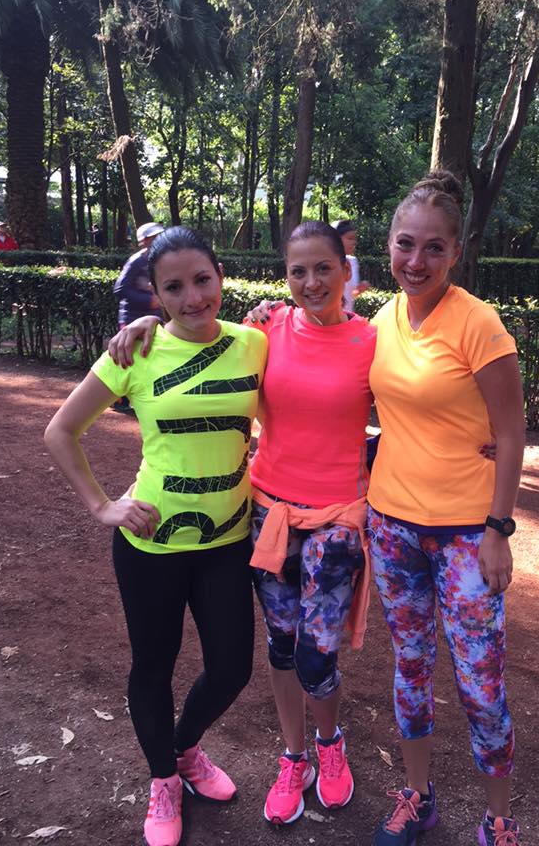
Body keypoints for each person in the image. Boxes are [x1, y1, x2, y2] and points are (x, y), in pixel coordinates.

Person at [108, 221, 378, 828]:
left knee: (317, 653)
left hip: (336, 520)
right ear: (285, 278)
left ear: (346, 271)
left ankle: (330, 745)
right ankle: (293, 757)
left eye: (324, 268)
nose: (312, 281)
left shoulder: (373, 339)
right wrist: (145, 322)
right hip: (269, 513)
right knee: (281, 647)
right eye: (298, 271)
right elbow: (196, 334)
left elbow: (415, 404)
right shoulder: (266, 331)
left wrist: (477, 440)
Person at [44, 226, 267, 846]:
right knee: (153, 666)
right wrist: (102, 506)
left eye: (202, 280)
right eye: (174, 287)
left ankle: (185, 749)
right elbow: (60, 431)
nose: (193, 297)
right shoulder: (136, 352)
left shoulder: (254, 343)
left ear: (220, 276)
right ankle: (164, 778)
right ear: (156, 295)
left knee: (231, 669)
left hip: (228, 541)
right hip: (151, 545)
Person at [367, 172, 525, 846]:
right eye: (406, 244)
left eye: (434, 248)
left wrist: (497, 529)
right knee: (410, 668)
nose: (417, 260)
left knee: (481, 683)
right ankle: (418, 795)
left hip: (466, 534)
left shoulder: (478, 324)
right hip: (391, 526)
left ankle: (498, 819)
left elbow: (512, 432)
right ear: (389, 246)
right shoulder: (381, 321)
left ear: (456, 252)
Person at [112, 221, 164, 414]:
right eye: (154, 237)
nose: (159, 239)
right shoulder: (136, 261)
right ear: (144, 241)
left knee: (151, 357)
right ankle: (118, 399)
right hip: (132, 317)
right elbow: (120, 289)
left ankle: (145, 399)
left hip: (154, 318)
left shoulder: (160, 260)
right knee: (128, 357)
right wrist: (148, 301)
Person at [330, 219, 370, 311]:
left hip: (347, 316)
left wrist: (359, 289)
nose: (354, 242)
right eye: (350, 238)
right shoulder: (326, 264)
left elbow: (351, 294)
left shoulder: (353, 262)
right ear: (336, 240)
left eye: (355, 239)